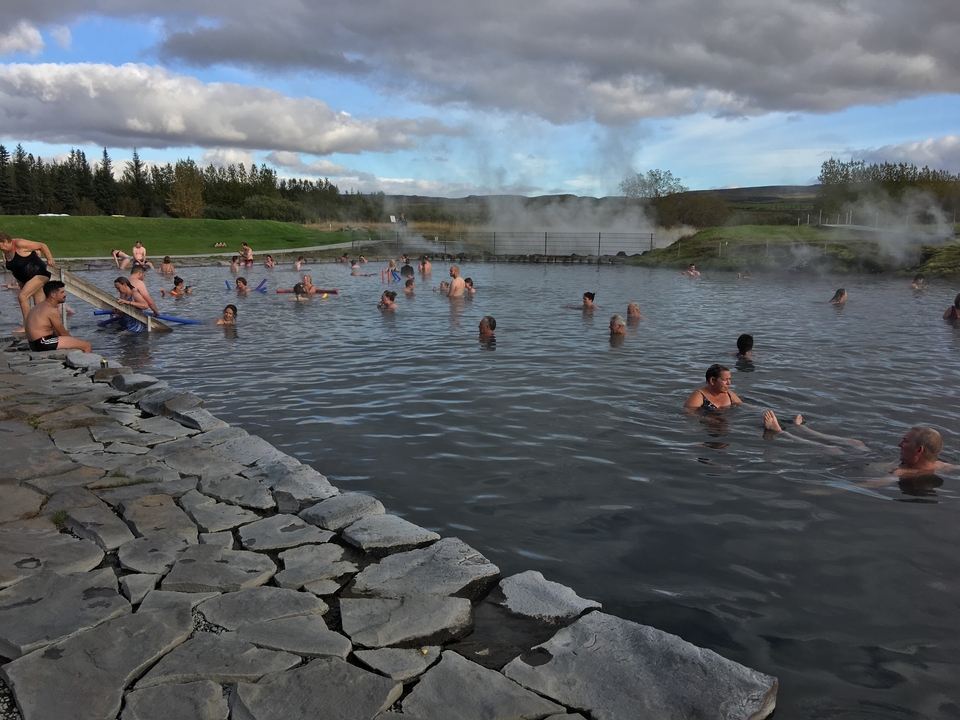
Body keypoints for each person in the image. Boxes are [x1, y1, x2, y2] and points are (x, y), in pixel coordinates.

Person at [0, 231, 55, 333]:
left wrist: (49, 259)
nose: (1, 249)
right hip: (25, 279)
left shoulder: (19, 244)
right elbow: (15, 268)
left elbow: (42, 245)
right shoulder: (6, 252)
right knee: (39, 303)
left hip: (39, 274)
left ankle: (26, 326)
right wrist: (20, 282)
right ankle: (47, 326)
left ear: (5, 241)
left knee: (22, 297)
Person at [24, 281, 91, 353]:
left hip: (34, 343)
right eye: (62, 292)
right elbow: (63, 333)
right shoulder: (51, 310)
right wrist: (74, 343)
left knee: (76, 342)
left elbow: (55, 331)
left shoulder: (39, 306)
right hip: (43, 342)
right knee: (86, 346)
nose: (65, 295)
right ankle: (85, 363)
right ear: (53, 295)